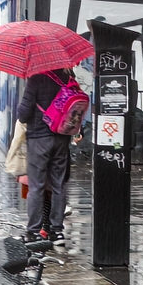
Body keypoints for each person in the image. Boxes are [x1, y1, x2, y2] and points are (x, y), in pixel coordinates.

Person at [15, 65, 84, 246]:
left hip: (39, 138)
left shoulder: (37, 78)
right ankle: (57, 231)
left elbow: (23, 114)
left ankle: (34, 232)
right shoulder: (68, 77)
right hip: (61, 139)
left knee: (36, 186)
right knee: (58, 184)